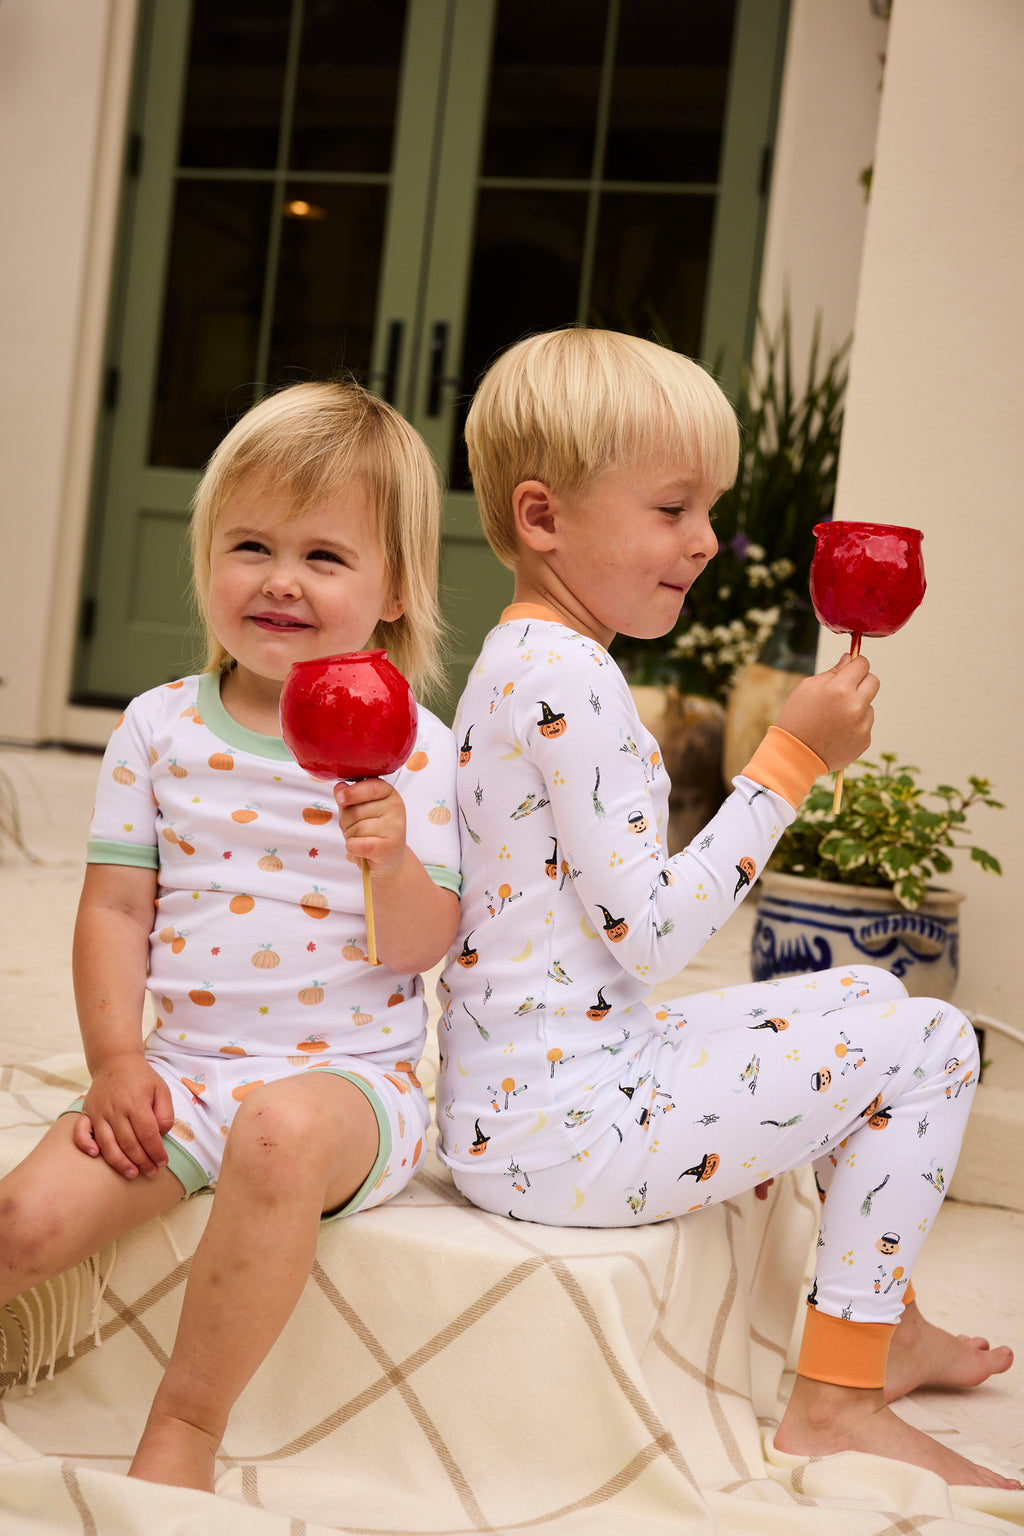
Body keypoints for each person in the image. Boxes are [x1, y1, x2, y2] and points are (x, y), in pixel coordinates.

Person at [435, 327, 1017, 1490]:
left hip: (545, 1094)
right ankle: (837, 1402)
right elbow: (653, 937)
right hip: (566, 1136)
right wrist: (790, 757)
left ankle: (882, 1325)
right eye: (673, 508)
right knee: (934, 1043)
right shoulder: (570, 682)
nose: (705, 540)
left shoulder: (531, 658)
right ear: (543, 517)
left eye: (710, 509)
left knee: (864, 994)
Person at [0, 381, 460, 1492]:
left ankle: (182, 1438)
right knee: (20, 1219)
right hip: (185, 1072)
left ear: (395, 587)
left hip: (350, 1087)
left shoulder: (419, 748)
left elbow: (422, 947)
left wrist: (388, 858)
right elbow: (114, 909)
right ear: (207, 556)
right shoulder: (158, 727)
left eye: (326, 556)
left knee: (275, 1137)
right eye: (250, 544)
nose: (281, 580)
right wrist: (118, 1063)